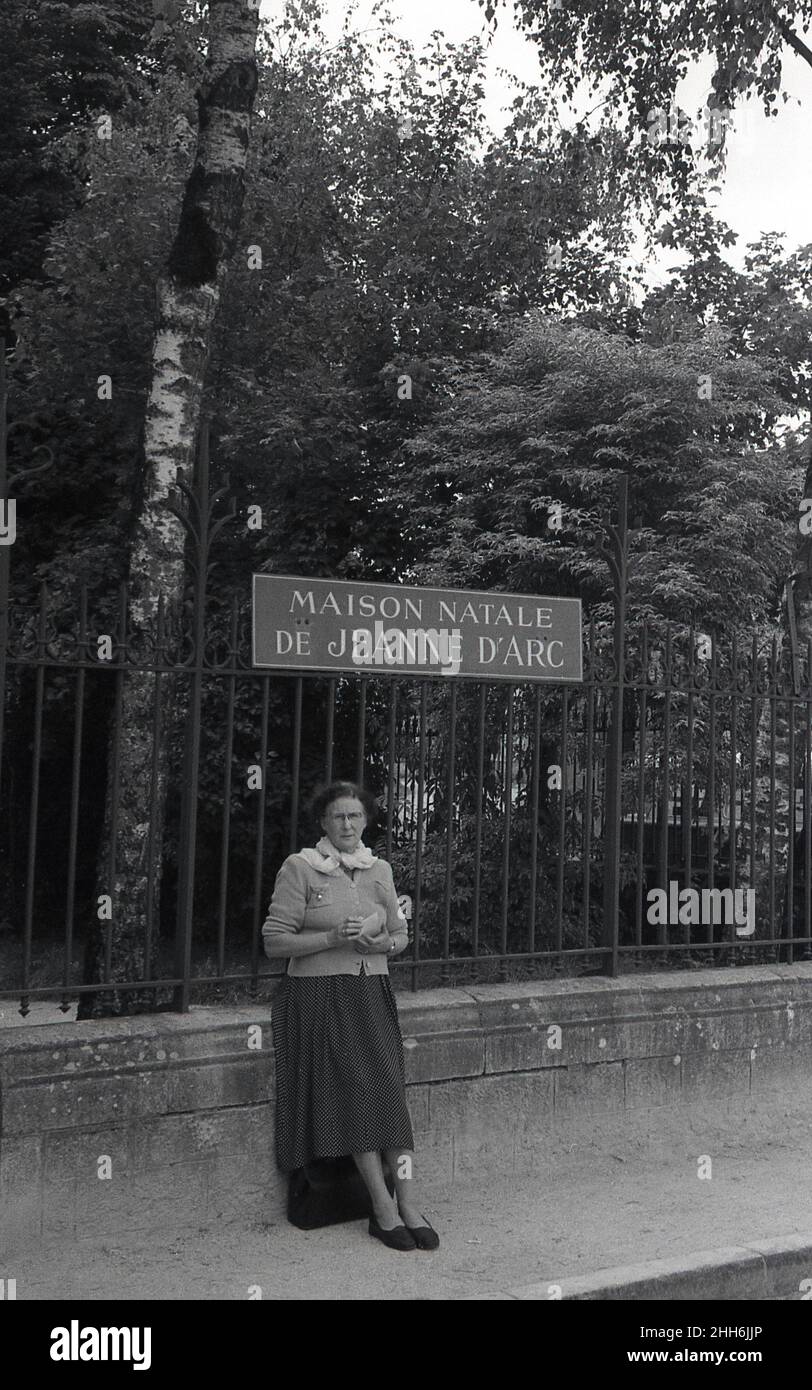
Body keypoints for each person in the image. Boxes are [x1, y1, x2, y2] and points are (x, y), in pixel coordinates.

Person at [262, 780, 440, 1252]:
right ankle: (381, 1208)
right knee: (356, 1097)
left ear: (366, 821)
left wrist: (386, 944)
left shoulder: (378, 869)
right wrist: (329, 939)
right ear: (323, 822)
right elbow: (274, 942)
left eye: (355, 816)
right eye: (338, 817)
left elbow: (400, 935)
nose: (347, 824)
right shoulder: (300, 868)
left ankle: (409, 1202)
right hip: (320, 997)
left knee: (391, 1099)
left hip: (371, 992)